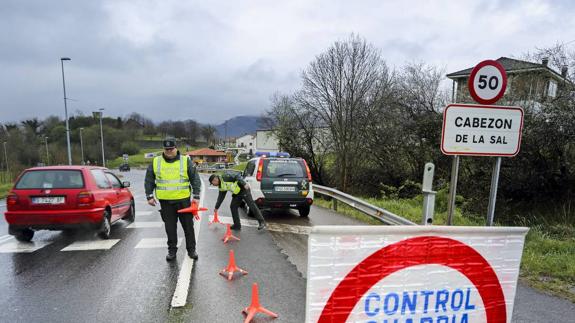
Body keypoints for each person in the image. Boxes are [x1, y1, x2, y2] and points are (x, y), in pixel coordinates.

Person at [145, 138, 201, 261]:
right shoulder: (156, 161)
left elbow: (195, 179)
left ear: (176, 148)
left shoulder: (185, 161)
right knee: (170, 228)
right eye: (167, 149)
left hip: (183, 201)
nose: (169, 151)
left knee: (188, 227)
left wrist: (196, 196)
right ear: (163, 149)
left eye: (171, 149)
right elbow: (149, 179)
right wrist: (149, 196)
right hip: (166, 202)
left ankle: (191, 250)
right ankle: (172, 251)